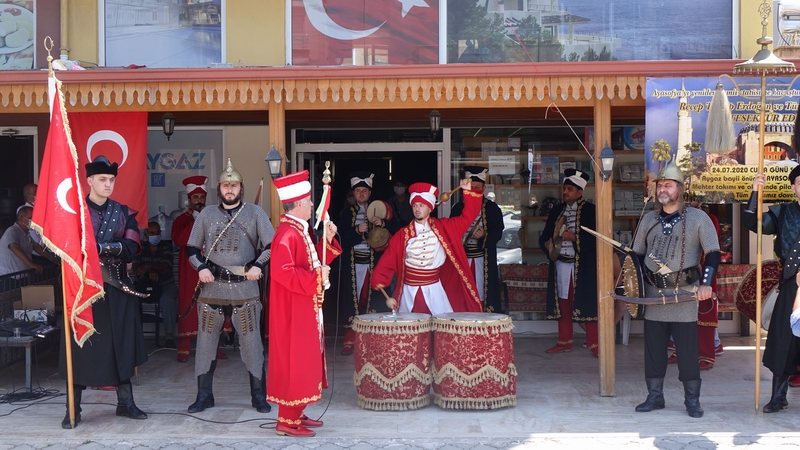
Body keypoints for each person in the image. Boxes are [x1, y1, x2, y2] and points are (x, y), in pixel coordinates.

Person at [59, 155, 148, 429]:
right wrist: (108, 246)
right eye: (102, 180)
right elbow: (60, 248)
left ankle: (126, 403)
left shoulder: (124, 212)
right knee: (81, 346)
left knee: (121, 345)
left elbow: (133, 245)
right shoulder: (73, 212)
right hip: (83, 289)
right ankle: (72, 408)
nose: (108, 184)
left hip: (118, 286)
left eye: (111, 180)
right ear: (89, 181)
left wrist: (98, 248)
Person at [185, 159, 274, 414]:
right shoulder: (206, 214)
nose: (230, 189)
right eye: (226, 185)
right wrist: (200, 267)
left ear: (241, 188)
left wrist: (258, 265)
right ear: (219, 188)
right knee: (205, 344)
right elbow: (192, 248)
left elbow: (270, 245)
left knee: (251, 343)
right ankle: (204, 396)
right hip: (212, 287)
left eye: (234, 185)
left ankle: (259, 397)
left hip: (244, 287)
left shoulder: (255, 213)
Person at [632, 159, 719, 419]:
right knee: (654, 349)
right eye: (660, 185)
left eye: (668, 185)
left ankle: (692, 401)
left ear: (680, 189)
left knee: (688, 351)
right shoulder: (649, 219)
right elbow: (636, 255)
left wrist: (705, 283)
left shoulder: (698, 218)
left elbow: (713, 252)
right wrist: (633, 287)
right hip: (653, 293)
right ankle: (655, 396)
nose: (662, 190)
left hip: (684, 295)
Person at [267, 170, 341, 437]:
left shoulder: (298, 230)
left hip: (302, 307)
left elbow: (312, 263)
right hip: (293, 310)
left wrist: (328, 243)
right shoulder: (287, 233)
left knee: (304, 358)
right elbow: (283, 272)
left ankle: (296, 411)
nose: (312, 205)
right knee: (295, 359)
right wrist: (315, 277)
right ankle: (286, 420)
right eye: (309, 201)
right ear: (298, 203)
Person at [371, 179, 483, 314]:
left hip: (435, 290)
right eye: (415, 205)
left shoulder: (445, 227)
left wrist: (468, 191)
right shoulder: (402, 235)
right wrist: (379, 277)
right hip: (408, 291)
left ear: (430, 208)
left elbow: (469, 216)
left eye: (422, 205)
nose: (417, 209)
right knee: (409, 330)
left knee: (441, 327)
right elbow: (388, 259)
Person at [743, 164, 800, 413]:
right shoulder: (783, 212)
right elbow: (751, 223)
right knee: (783, 341)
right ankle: (778, 396)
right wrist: (756, 192)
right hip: (791, 286)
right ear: (793, 187)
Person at [337, 171, 398, 355]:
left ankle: (375, 341)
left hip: (375, 265)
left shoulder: (382, 210)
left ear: (370, 193)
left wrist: (385, 224)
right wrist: (357, 230)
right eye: (358, 191)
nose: (361, 194)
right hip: (354, 265)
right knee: (354, 302)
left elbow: (398, 231)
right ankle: (350, 340)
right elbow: (340, 240)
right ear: (353, 194)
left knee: (376, 300)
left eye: (365, 191)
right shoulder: (347, 214)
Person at [539, 169, 598, 356]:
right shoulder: (557, 210)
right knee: (563, 304)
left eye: (570, 189)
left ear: (580, 192)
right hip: (561, 265)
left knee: (587, 304)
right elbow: (545, 234)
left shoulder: (590, 211)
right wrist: (547, 243)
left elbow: (596, 238)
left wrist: (575, 238)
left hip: (581, 266)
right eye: (565, 188)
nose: (566, 192)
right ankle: (564, 341)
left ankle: (595, 344)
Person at [171, 175, 230, 363]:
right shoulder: (181, 220)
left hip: (211, 267)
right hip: (190, 269)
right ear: (189, 199)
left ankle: (213, 348)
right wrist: (197, 222)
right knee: (188, 304)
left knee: (213, 306)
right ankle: (184, 347)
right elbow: (180, 239)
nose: (199, 201)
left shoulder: (214, 216)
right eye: (195, 198)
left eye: (201, 198)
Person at [667, 201, 721, 370]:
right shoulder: (673, 218)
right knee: (679, 312)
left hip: (702, 271)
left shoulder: (709, 219)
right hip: (679, 272)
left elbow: (712, 248)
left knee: (704, 313)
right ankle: (681, 350)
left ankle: (705, 354)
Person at [450, 166, 504, 313]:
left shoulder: (492, 209)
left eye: (477, 188)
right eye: (471, 187)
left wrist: (485, 235)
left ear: (484, 188)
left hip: (482, 259)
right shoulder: (457, 208)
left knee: (481, 292)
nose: (473, 191)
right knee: (462, 294)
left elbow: (498, 232)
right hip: (463, 259)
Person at [133, 221, 178, 347]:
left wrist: (147, 266)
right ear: (146, 234)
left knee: (168, 300)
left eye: (158, 232)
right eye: (152, 233)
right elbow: (136, 268)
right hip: (145, 284)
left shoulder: (166, 246)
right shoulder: (140, 248)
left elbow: (165, 265)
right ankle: (135, 336)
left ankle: (169, 336)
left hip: (165, 284)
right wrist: (150, 270)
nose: (156, 235)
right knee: (131, 300)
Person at [0, 206, 46, 276]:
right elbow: (14, 247)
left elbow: (36, 247)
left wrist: (54, 260)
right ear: (21, 218)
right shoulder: (12, 231)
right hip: (10, 277)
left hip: (21, 276)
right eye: (31, 218)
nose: (33, 221)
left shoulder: (26, 234)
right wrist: (32, 264)